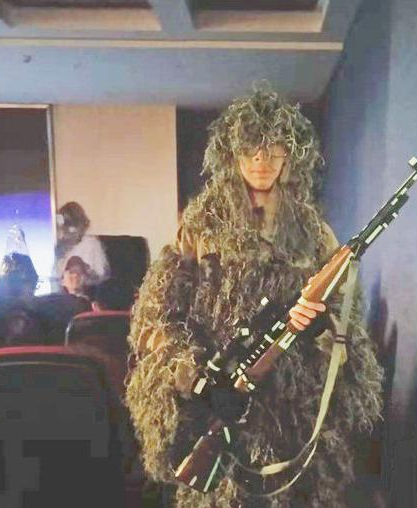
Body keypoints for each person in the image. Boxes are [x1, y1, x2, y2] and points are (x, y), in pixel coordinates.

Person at [125, 87, 384, 507]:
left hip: (291, 409)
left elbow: (344, 326)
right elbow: (157, 317)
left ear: (290, 155)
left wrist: (320, 325)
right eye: (250, 148)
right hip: (216, 400)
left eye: (273, 148)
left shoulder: (315, 234)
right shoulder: (200, 228)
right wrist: (199, 379)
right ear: (231, 155)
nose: (262, 160)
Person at [54, 201, 110, 287]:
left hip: (82, 290)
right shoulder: (61, 246)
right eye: (64, 228)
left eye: (71, 227)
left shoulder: (90, 244)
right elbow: (55, 276)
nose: (67, 232)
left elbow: (91, 278)